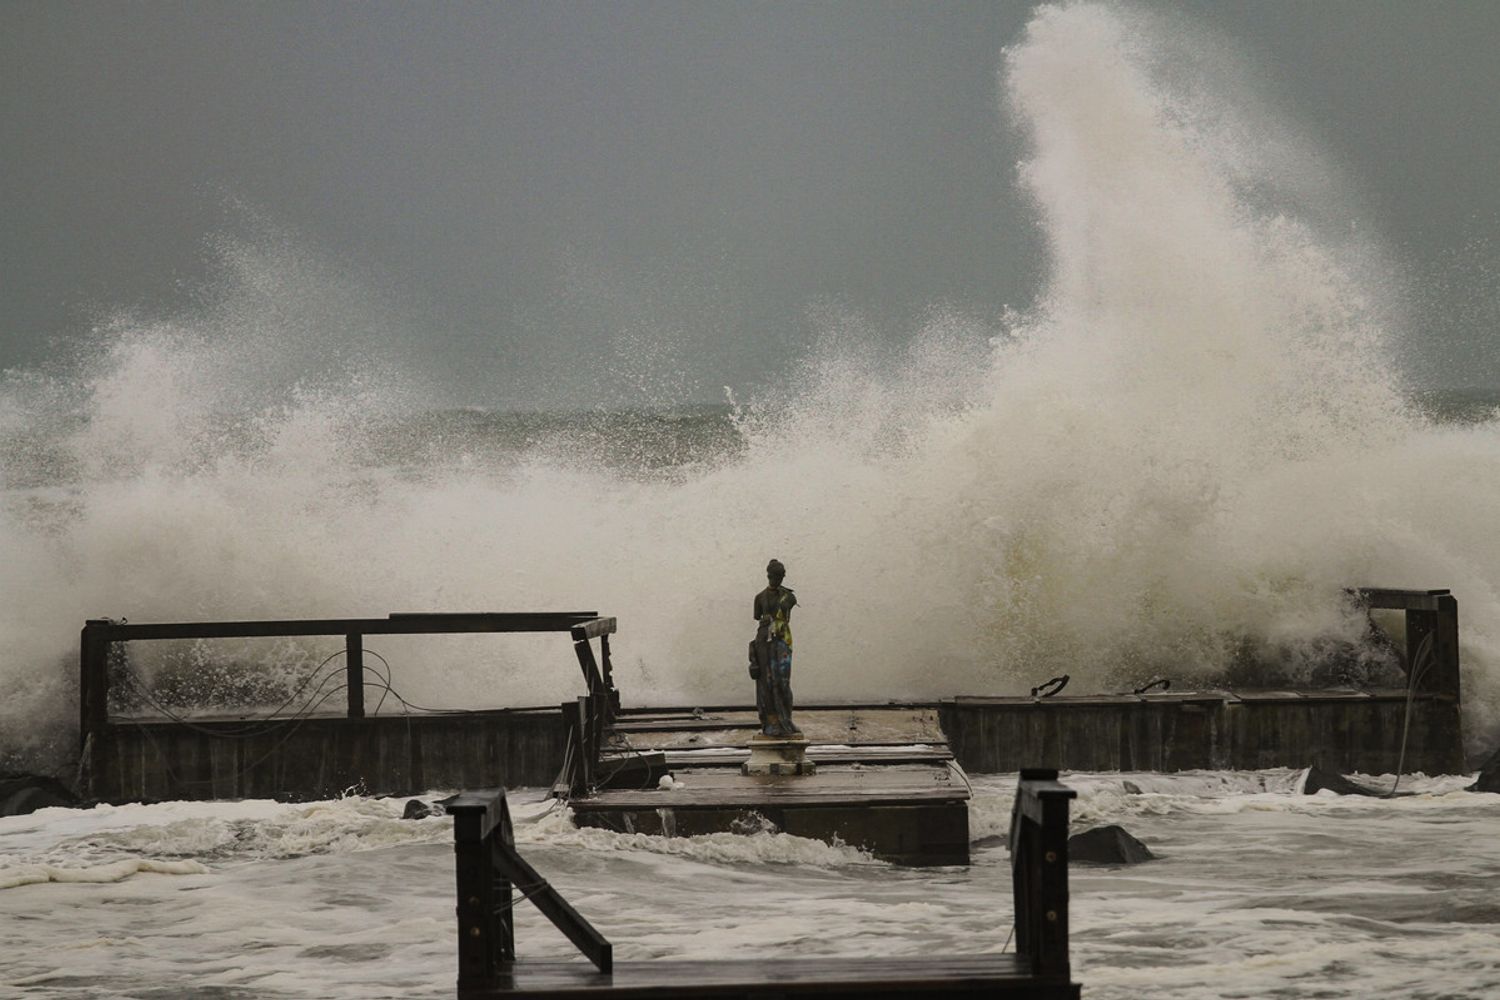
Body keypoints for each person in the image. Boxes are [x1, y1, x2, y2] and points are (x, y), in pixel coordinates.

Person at [751, 559, 798, 737]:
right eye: (775, 576)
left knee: (783, 682)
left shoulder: (788, 596)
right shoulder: (759, 597)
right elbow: (757, 616)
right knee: (766, 682)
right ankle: (771, 722)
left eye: (780, 576)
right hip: (764, 640)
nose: (778, 579)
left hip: (782, 640)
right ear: (768, 575)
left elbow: (788, 607)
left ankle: (786, 720)